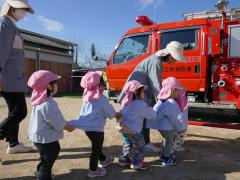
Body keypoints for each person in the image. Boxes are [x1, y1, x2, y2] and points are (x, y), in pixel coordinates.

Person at [117, 41, 186, 154]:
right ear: (169, 55)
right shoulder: (156, 62)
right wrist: (165, 100)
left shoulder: (155, 60)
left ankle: (134, 145)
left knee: (133, 119)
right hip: (137, 93)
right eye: (175, 58)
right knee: (141, 118)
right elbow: (156, 85)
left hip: (136, 93)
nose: (175, 61)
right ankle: (144, 143)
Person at [67, 71, 121, 178]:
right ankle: (93, 170)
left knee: (97, 146)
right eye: (103, 81)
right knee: (96, 149)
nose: (105, 83)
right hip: (96, 129)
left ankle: (104, 160)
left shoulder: (86, 97)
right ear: (99, 84)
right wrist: (118, 115)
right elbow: (110, 112)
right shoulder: (101, 99)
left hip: (89, 129)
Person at [0, 0, 34, 154]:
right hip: (7, 79)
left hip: (14, 79)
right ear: (12, 8)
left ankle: (13, 144)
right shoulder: (4, 24)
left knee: (14, 111)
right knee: (20, 112)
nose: (25, 12)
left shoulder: (11, 25)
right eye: (23, 9)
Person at [27, 70, 75, 180]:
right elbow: (56, 121)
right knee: (49, 159)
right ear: (49, 86)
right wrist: (68, 127)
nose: (57, 85)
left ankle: (41, 172)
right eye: (55, 83)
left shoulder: (38, 100)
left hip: (39, 137)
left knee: (46, 157)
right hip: (45, 138)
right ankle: (43, 176)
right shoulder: (48, 104)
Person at [147, 77, 188, 166]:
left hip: (161, 127)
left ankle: (163, 154)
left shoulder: (161, 101)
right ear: (172, 90)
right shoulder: (171, 103)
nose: (179, 93)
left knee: (165, 140)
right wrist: (181, 128)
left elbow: (154, 112)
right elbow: (176, 118)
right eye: (177, 90)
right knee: (169, 143)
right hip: (169, 128)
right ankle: (166, 158)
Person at [117, 80, 157, 170]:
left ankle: (123, 160)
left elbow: (120, 116)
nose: (144, 93)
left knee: (127, 143)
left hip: (123, 129)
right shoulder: (140, 104)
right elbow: (152, 115)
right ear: (137, 93)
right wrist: (151, 108)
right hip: (134, 131)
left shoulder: (126, 103)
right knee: (141, 147)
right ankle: (137, 163)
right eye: (142, 91)